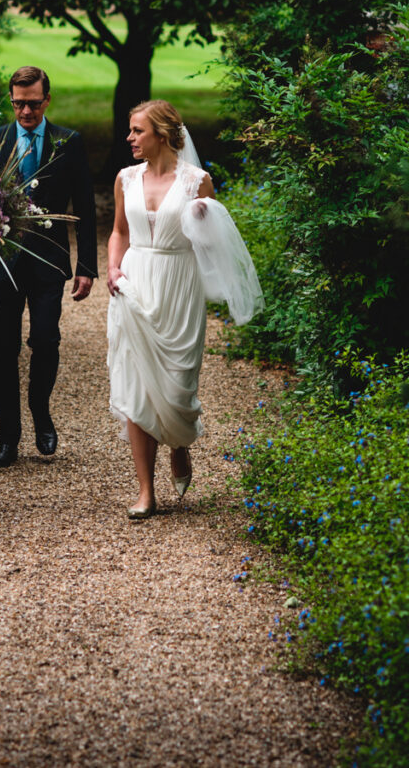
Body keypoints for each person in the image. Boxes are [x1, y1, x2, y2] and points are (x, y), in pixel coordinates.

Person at [107, 100, 262, 519]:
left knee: (177, 383)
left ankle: (179, 442)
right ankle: (145, 491)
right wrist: (113, 268)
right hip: (136, 279)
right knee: (138, 385)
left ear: (161, 133)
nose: (130, 138)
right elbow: (119, 231)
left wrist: (203, 219)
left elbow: (214, 246)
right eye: (130, 130)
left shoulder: (198, 181)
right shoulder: (126, 178)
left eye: (137, 131)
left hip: (178, 283)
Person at [0, 66, 97, 468]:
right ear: (11, 100)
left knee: (46, 339)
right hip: (3, 262)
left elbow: (84, 205)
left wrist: (87, 266)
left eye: (32, 103)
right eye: (18, 103)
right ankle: (7, 438)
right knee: (4, 348)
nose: (25, 111)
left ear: (47, 99)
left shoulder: (69, 142)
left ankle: (40, 412)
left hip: (49, 259)